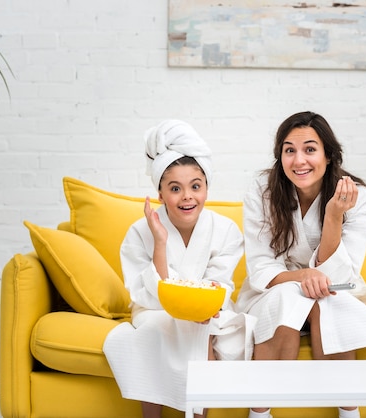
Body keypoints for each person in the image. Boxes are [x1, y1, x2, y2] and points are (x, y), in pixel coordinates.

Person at [235, 111, 366, 418]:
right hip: (274, 292)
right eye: (289, 150)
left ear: (329, 155)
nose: (299, 160)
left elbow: (343, 272)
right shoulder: (262, 191)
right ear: (280, 156)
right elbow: (261, 267)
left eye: (310, 149)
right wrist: (302, 276)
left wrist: (333, 216)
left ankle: (348, 411)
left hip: (334, 289)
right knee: (289, 296)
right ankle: (259, 412)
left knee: (329, 303)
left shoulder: (359, 198)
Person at [103, 120, 256, 418]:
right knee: (156, 330)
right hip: (156, 310)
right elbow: (145, 293)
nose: (187, 196)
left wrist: (201, 309)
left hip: (208, 311)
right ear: (160, 195)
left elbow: (219, 284)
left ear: (206, 189)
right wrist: (160, 242)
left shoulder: (225, 230)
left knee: (202, 332)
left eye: (195, 186)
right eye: (175, 188)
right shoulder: (140, 231)